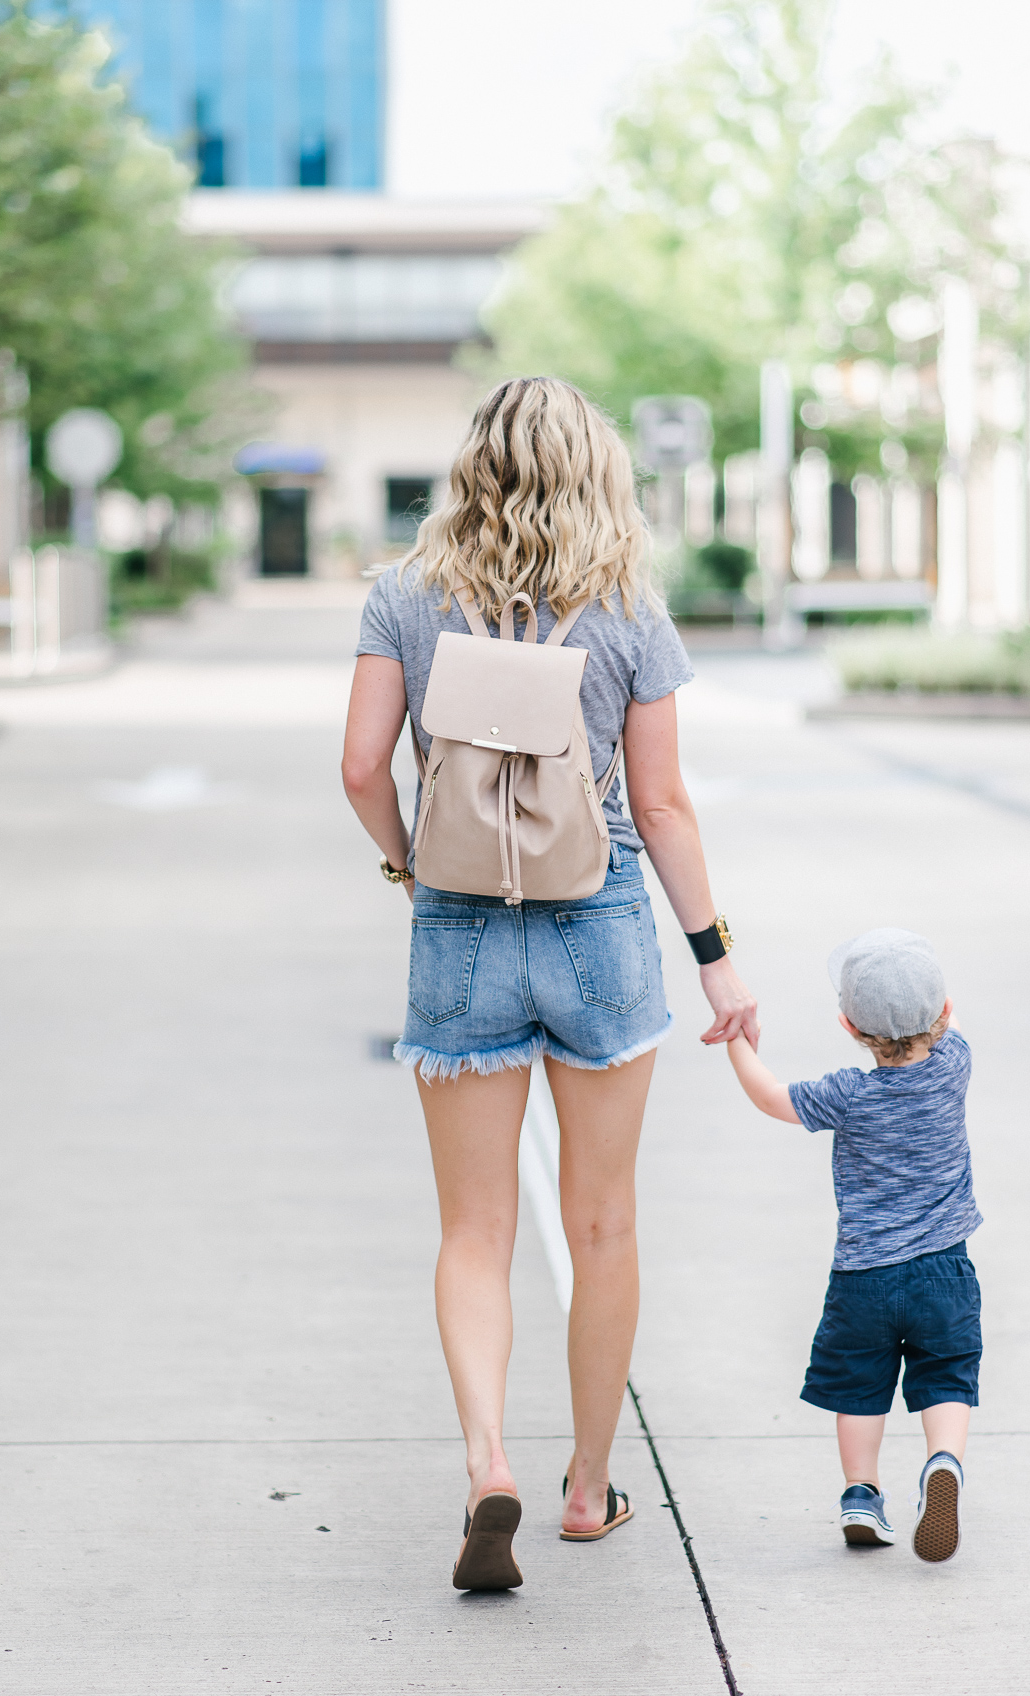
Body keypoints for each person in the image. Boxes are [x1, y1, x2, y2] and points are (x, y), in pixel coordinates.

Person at [342, 376, 758, 1589]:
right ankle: (586, 1488)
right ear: (595, 469)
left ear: (471, 465)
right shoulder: (626, 604)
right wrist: (717, 959)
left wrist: (409, 867)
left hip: (459, 927)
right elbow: (666, 803)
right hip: (603, 923)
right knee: (601, 1220)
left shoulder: (402, 598)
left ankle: (487, 1466)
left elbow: (363, 763)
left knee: (474, 1229)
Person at [724, 927, 983, 1564]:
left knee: (859, 1387)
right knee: (945, 1372)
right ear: (944, 1014)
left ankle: (861, 1495)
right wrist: (934, 1010)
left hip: (864, 1277)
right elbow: (948, 1023)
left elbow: (768, 1096)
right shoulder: (956, 1065)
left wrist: (737, 1042)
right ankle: (942, 1463)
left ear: (849, 1026)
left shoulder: (846, 1095)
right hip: (944, 1269)